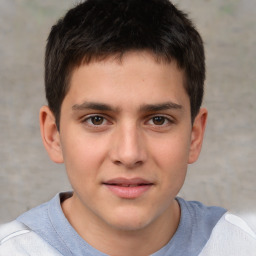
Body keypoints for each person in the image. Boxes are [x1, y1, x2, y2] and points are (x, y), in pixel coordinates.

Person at [0, 0, 255, 255]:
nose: (129, 154)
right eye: (96, 119)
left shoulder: (241, 246)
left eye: (158, 120)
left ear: (194, 136)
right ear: (53, 135)